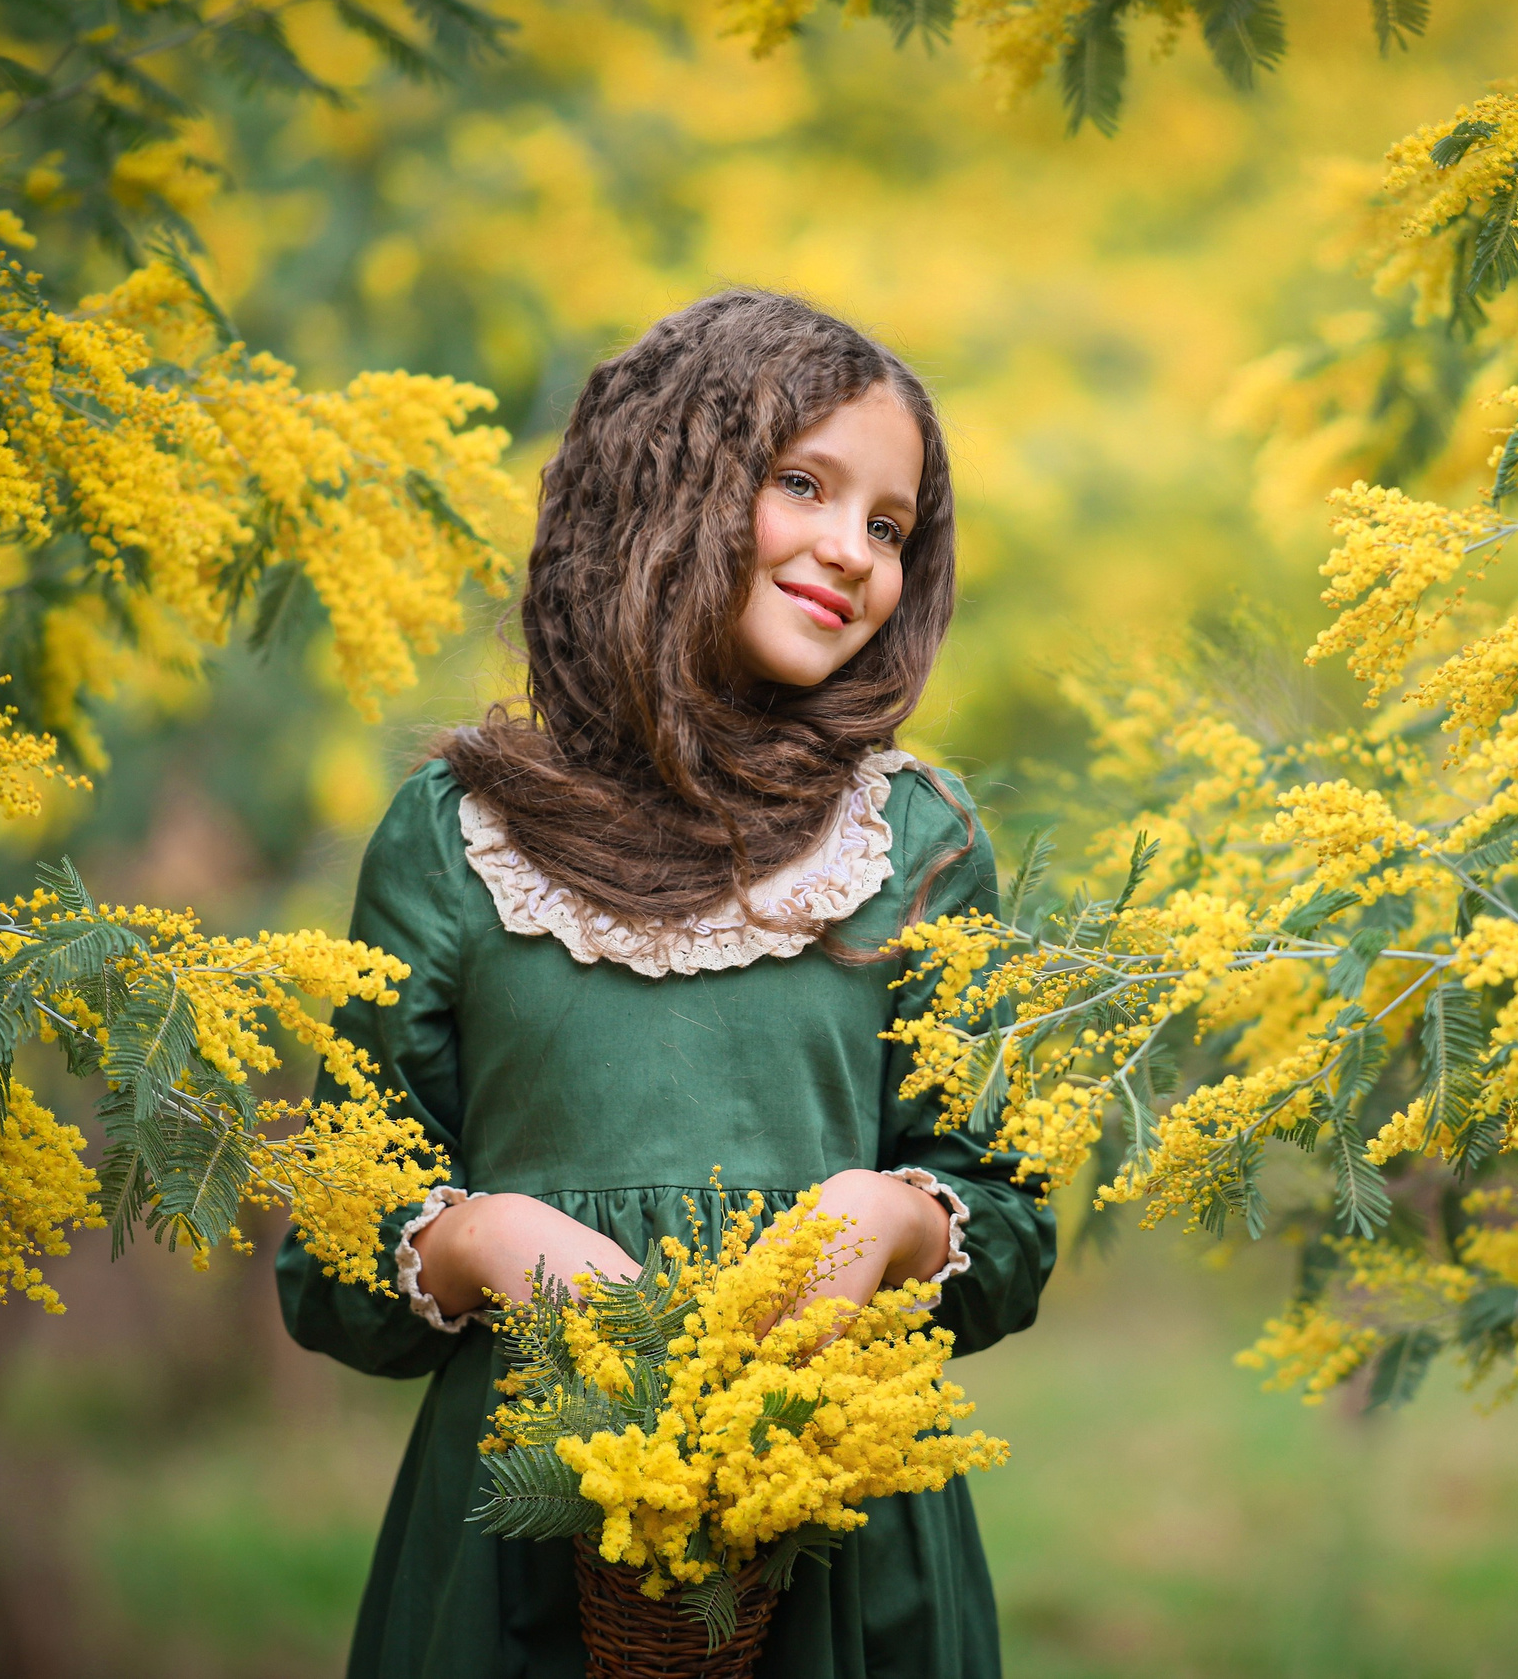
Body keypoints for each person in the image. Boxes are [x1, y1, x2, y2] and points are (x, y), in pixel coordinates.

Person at [274, 289, 1053, 1679]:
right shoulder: (455, 842)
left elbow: (1007, 1231)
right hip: (520, 1557)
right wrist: (484, 1243)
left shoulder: (916, 842)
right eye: (803, 485)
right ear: (661, 485)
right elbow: (333, 1262)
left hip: (848, 1555)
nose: (849, 551)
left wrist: (887, 1216)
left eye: (890, 525)